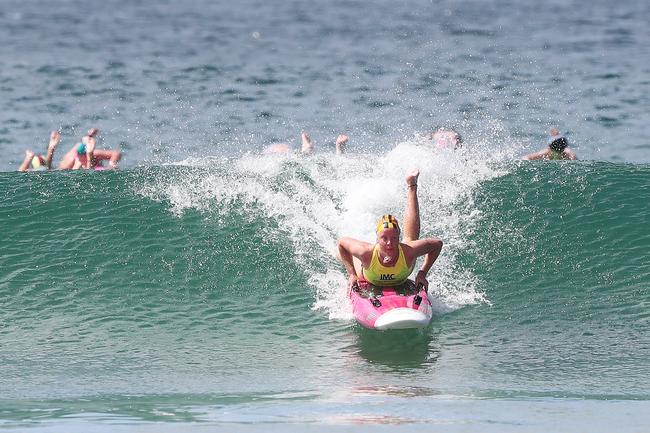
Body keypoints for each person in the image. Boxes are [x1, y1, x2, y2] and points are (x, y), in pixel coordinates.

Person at [336, 170, 443, 292]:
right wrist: (352, 274)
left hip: (403, 265)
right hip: (367, 274)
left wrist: (422, 273)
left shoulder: (408, 251)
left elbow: (437, 244)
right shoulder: (366, 253)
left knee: (410, 240)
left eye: (394, 238)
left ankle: (412, 185)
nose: (389, 243)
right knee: (342, 255)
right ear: (377, 238)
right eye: (384, 238)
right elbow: (342, 243)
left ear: (398, 238)